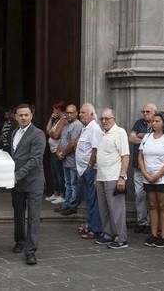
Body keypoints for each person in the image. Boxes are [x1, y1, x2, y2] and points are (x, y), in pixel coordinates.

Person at [9, 104, 46, 265]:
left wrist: (17, 175)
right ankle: (19, 241)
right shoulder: (14, 133)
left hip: (33, 182)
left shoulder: (38, 134)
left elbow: (35, 160)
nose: (23, 118)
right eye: (20, 115)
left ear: (31, 116)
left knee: (33, 217)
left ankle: (30, 251)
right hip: (16, 183)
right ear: (15, 116)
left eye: (26, 115)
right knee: (18, 213)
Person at [138, 112, 164, 248]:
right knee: (152, 205)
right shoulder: (147, 137)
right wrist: (145, 173)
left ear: (163, 123)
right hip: (148, 177)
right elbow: (140, 156)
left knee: (163, 205)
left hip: (163, 178)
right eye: (153, 121)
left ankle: (163, 236)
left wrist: (157, 175)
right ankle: (154, 234)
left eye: (157, 121)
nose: (154, 124)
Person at [93, 108, 130, 249]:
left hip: (114, 176)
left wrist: (122, 177)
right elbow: (100, 157)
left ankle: (121, 238)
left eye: (107, 118)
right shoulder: (102, 134)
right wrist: (97, 177)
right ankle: (108, 234)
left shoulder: (120, 132)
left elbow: (125, 156)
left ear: (113, 118)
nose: (104, 121)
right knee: (104, 208)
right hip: (101, 176)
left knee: (117, 209)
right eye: (102, 119)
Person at [76, 103, 103, 240]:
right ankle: (91, 224)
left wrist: (89, 167)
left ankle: (95, 228)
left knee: (93, 201)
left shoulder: (95, 129)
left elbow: (95, 150)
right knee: (88, 200)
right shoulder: (85, 129)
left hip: (90, 170)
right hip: (83, 170)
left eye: (83, 112)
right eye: (80, 112)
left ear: (92, 114)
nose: (80, 115)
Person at [129, 103, 156, 233]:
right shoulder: (138, 122)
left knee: (152, 196)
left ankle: (152, 223)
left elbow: (158, 140)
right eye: (143, 111)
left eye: (148, 111)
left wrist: (142, 136)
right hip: (138, 166)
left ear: (154, 112)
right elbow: (131, 138)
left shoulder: (157, 123)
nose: (145, 114)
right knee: (139, 195)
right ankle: (142, 221)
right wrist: (147, 139)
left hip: (151, 167)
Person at [54, 104, 83, 215]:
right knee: (68, 184)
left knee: (74, 183)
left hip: (73, 160)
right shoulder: (66, 125)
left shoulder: (77, 125)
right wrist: (58, 152)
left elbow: (72, 143)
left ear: (76, 113)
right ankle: (66, 204)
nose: (69, 114)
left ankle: (72, 205)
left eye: (71, 112)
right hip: (66, 160)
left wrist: (63, 154)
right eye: (67, 112)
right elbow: (62, 140)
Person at [45, 101, 67, 204]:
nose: (53, 111)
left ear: (58, 109)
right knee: (54, 173)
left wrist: (51, 133)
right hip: (53, 150)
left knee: (59, 174)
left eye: (54, 109)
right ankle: (56, 193)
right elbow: (48, 130)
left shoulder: (63, 120)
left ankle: (62, 194)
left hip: (58, 150)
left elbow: (56, 135)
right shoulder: (56, 120)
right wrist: (51, 118)